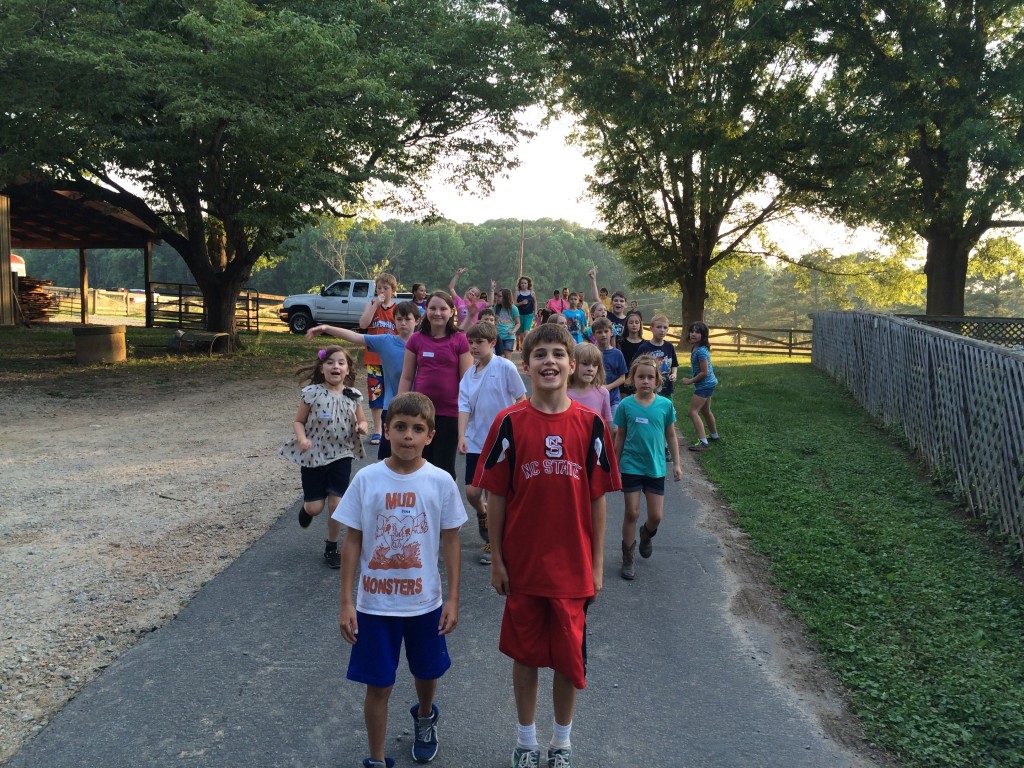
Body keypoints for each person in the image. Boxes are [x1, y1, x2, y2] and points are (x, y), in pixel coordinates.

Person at [475, 323, 621, 768]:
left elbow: (597, 500)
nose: (550, 362)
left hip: (573, 566)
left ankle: (561, 742)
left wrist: (597, 565)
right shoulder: (509, 423)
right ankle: (525, 740)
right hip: (523, 564)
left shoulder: (591, 425)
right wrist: (497, 558)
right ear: (526, 366)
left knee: (565, 658)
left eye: (559, 354)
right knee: (525, 655)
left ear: (573, 366)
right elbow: (496, 496)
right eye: (540, 355)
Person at [334, 393, 466, 768]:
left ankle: (425, 716)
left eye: (418, 429)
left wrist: (453, 599)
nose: (408, 436)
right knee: (379, 683)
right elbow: (353, 541)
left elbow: (451, 541)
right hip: (374, 606)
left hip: (425, 603)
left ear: (431, 435)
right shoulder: (366, 479)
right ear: (386, 430)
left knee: (427, 672)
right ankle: (376, 759)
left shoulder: (440, 481)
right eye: (401, 427)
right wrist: (346, 602)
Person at [279, 346, 368, 568]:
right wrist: (302, 439)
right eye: (330, 362)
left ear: (347, 370)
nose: (335, 366)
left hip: (341, 455)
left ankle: (331, 546)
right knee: (315, 508)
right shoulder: (312, 393)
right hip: (313, 457)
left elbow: (362, 420)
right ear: (322, 368)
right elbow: (298, 421)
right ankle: (307, 509)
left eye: (340, 363)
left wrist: (362, 427)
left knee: (337, 505)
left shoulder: (353, 395)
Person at [306, 301, 420, 460]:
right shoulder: (386, 341)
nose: (402, 323)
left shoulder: (425, 343)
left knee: (417, 458)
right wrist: (326, 328)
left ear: (417, 320)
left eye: (407, 319)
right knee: (388, 459)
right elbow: (356, 337)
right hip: (392, 406)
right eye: (399, 319)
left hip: (420, 408)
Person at [458, 321, 527, 566]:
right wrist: (462, 435)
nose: (474, 347)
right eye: (471, 342)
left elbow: (520, 397)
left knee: (496, 492)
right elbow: (464, 406)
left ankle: (494, 544)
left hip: (503, 441)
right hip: (477, 440)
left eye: (480, 342)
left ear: (493, 343)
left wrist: (518, 428)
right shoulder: (469, 374)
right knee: (473, 491)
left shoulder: (505, 366)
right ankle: (483, 515)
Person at [612, 355, 682, 580]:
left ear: (657, 380)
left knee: (656, 516)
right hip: (631, 465)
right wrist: (614, 463)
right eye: (640, 377)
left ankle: (646, 534)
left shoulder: (665, 405)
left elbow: (670, 434)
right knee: (632, 512)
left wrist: (677, 464)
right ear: (633, 378)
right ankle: (628, 557)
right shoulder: (625, 405)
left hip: (655, 467)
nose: (645, 381)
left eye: (650, 377)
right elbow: (620, 436)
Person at [399, 291, 472, 480]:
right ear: (426, 311)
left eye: (443, 309)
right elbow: (407, 377)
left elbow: (467, 381)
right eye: (432, 308)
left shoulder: (459, 340)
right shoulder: (416, 339)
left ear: (452, 312)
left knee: (444, 467)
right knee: (419, 462)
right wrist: (398, 408)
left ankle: (445, 507)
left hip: (450, 413)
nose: (437, 313)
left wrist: (468, 414)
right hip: (420, 413)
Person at [358, 273, 399, 445]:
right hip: (373, 359)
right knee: (376, 394)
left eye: (386, 288)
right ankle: (378, 430)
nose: (382, 291)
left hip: (390, 359)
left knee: (394, 394)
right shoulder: (371, 305)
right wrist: (375, 305)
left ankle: (392, 428)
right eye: (379, 288)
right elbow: (363, 324)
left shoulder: (397, 309)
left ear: (393, 290)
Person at [681, 321, 720, 452]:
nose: (693, 334)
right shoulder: (696, 348)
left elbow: (704, 372)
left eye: (697, 332)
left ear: (703, 335)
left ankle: (703, 442)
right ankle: (714, 435)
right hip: (709, 384)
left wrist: (690, 381)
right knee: (705, 411)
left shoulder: (701, 351)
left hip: (705, 385)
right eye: (692, 331)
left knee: (692, 412)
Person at [566, 342, 612, 427]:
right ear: (572, 364)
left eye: (594, 365)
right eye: (585, 364)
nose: (590, 369)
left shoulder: (602, 393)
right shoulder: (563, 393)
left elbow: (607, 426)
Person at [590, 318, 627, 418]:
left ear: (611, 332)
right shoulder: (591, 352)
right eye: (599, 332)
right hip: (593, 397)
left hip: (613, 399)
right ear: (593, 335)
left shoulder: (617, 354)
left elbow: (622, 378)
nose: (603, 334)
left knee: (613, 429)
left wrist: (608, 387)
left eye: (606, 331)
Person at [637, 314, 679, 398]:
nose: (662, 330)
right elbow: (635, 366)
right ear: (651, 328)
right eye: (659, 327)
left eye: (665, 327)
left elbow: (674, 364)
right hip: (650, 389)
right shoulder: (644, 347)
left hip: (666, 388)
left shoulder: (669, 346)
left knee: (667, 409)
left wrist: (674, 374)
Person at [494, 288, 521, 360]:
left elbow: (518, 323)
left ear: (505, 297)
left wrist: (513, 331)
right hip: (498, 336)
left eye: (500, 296)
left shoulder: (513, 308)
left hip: (509, 337)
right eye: (497, 296)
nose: (497, 298)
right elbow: (493, 320)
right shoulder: (496, 308)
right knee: (499, 358)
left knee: (507, 359)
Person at [515, 276, 537, 350]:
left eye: (525, 283)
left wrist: (535, 311)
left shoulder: (532, 293)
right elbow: (514, 304)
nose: (523, 284)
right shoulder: (517, 293)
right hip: (519, 315)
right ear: (519, 284)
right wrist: (521, 303)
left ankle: (526, 348)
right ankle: (523, 346)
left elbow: (535, 302)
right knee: (521, 334)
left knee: (526, 332)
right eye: (522, 283)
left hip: (529, 314)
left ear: (528, 284)